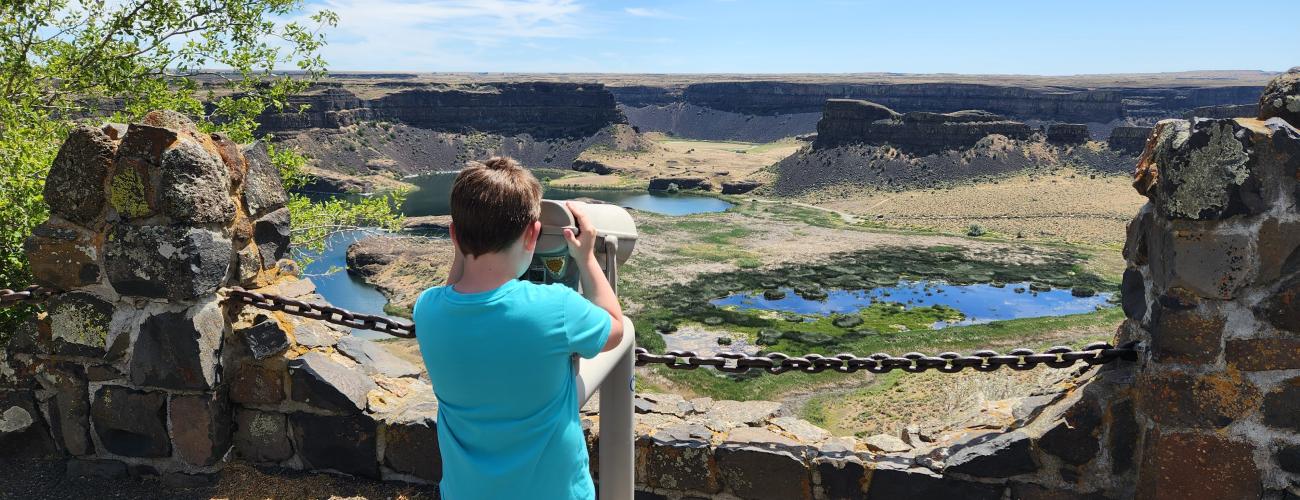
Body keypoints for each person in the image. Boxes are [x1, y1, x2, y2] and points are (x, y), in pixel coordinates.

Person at [412, 156, 625, 499]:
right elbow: (615, 327)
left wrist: (463, 248)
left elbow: (451, 292)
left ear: (454, 235)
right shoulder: (555, 308)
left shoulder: (427, 310)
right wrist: (586, 259)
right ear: (532, 235)